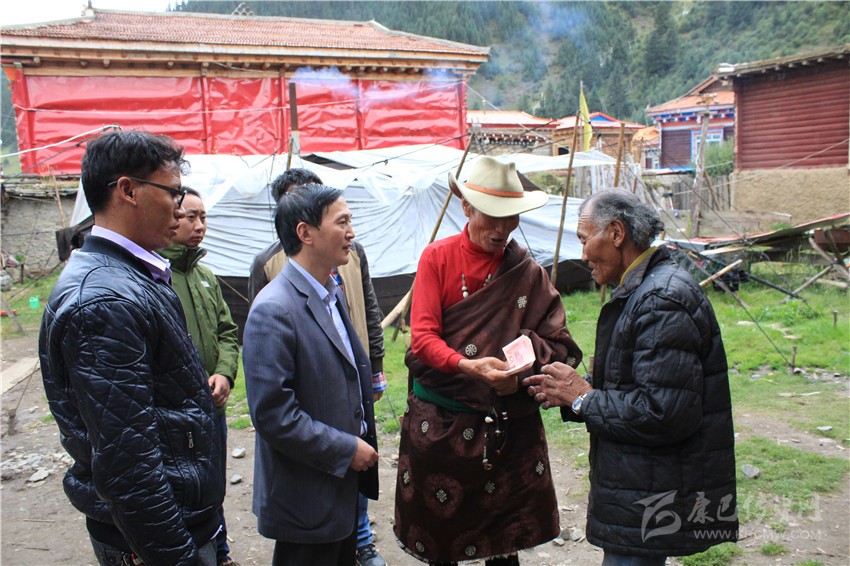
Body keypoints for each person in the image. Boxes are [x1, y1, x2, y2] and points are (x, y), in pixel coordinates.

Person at [523, 189, 738, 565]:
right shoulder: (643, 290)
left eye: (584, 240)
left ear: (616, 233)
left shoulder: (661, 300)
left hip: (649, 493)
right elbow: (637, 382)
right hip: (641, 483)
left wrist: (584, 397)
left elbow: (663, 412)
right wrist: (569, 393)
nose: (583, 255)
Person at [38, 130, 224, 565]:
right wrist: (177, 557)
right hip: (155, 539)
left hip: (179, 521)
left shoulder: (131, 275)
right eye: (173, 193)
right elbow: (128, 464)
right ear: (127, 190)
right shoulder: (104, 300)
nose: (179, 208)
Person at [394, 156, 583, 565]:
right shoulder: (437, 258)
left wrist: (518, 374)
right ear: (466, 207)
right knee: (441, 536)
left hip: (505, 425)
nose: (502, 229)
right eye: (492, 216)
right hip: (441, 420)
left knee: (504, 538)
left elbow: (557, 342)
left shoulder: (527, 272)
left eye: (510, 217)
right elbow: (423, 339)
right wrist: (469, 366)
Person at [250, 168, 387, 566]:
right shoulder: (274, 309)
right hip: (306, 497)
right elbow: (273, 415)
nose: (351, 233)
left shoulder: (330, 291)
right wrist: (346, 449)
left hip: (339, 489)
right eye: (341, 222)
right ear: (305, 233)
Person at [158, 187, 241, 566]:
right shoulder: (155, 277)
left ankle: (220, 552)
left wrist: (224, 373)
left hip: (213, 406)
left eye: (203, 217)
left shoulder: (206, 276)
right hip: (176, 412)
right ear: (171, 217)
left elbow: (227, 332)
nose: (199, 225)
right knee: (181, 487)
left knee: (213, 480)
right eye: (191, 216)